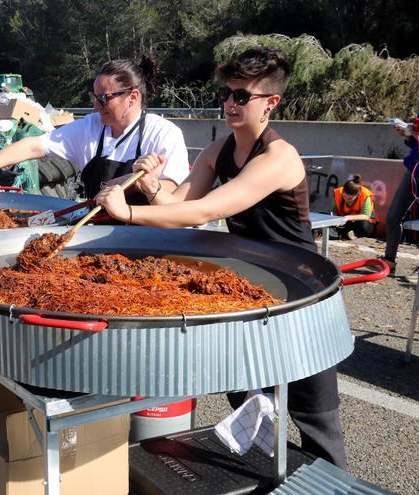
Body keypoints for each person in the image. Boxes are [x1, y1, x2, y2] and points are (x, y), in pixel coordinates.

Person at [94, 47, 348, 468]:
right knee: (247, 397)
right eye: (227, 94)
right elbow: (178, 202)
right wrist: (151, 185)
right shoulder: (218, 149)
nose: (230, 104)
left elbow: (208, 210)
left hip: (303, 296)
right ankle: (267, 477)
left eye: (241, 96)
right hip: (252, 291)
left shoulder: (278, 158)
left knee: (315, 416)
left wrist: (130, 212)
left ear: (271, 102)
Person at [0, 56, 189, 203]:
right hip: (98, 229)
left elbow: (173, 192)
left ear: (133, 97)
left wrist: (132, 183)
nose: (95, 105)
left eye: (104, 98)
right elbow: (33, 146)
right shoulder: (91, 127)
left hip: (149, 235)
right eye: (94, 97)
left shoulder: (163, 134)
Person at [379, 73, 419, 275]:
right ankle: (389, 259)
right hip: (414, 169)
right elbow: (416, 142)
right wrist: (407, 133)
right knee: (394, 215)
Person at [331, 175, 377, 240]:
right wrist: (336, 220)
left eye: (350, 198)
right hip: (344, 222)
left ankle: (353, 234)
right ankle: (345, 234)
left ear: (358, 194)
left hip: (361, 223)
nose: (346, 199)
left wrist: (348, 217)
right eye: (344, 196)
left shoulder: (365, 195)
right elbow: (333, 211)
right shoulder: (338, 192)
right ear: (343, 191)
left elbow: (366, 216)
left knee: (364, 225)